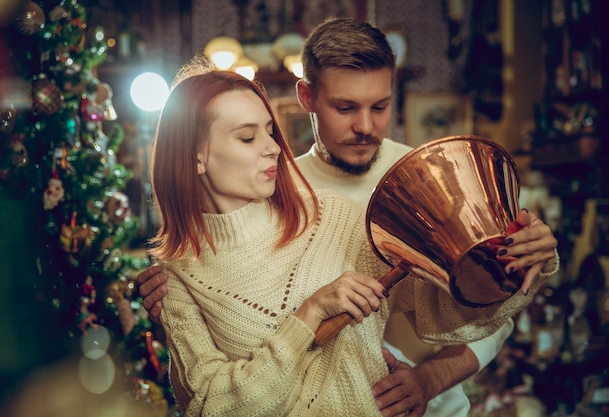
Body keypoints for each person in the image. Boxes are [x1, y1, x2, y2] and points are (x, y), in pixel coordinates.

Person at [139, 19, 559, 417]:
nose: (272, 148)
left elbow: (444, 306)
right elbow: (210, 403)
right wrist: (308, 316)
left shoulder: (335, 214)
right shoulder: (180, 275)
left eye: (270, 132)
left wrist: (511, 259)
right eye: (248, 136)